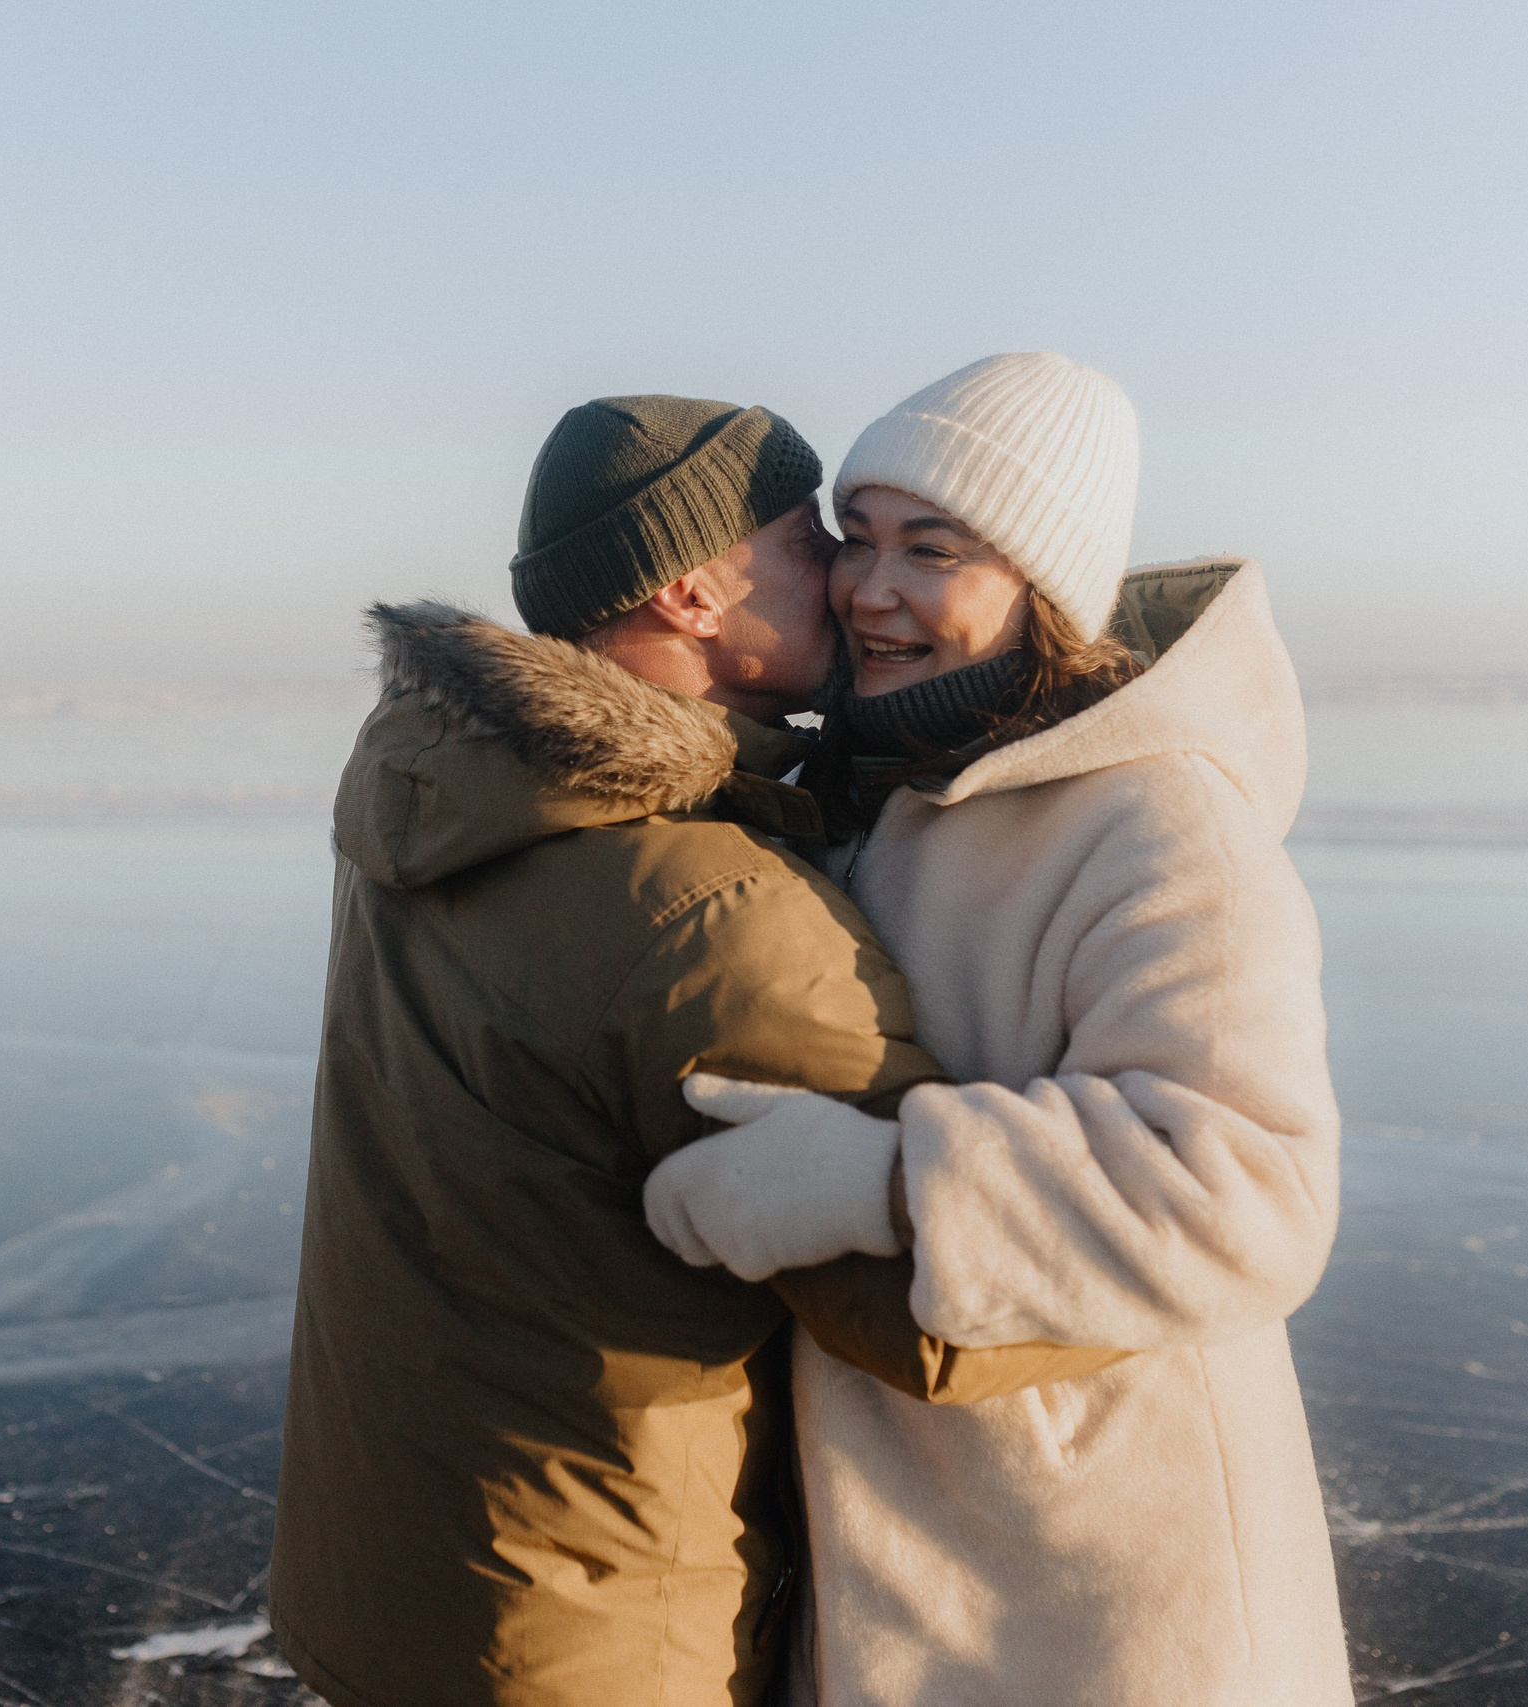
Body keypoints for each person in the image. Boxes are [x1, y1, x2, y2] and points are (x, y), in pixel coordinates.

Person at [269, 394, 1113, 1707]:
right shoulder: (707, 914)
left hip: (393, 1590)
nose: (849, 584)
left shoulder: (443, 792)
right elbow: (951, 1322)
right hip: (603, 1643)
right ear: (692, 593)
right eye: (812, 542)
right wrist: (1194, 1218)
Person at [644, 354, 1352, 1705]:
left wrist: (885, 1180)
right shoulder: (885, 790)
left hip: (1096, 1596)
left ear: (1046, 590)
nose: (870, 589)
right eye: (858, 538)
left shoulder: (1158, 821)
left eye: (934, 550)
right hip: (901, 1559)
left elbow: (1252, 1191)